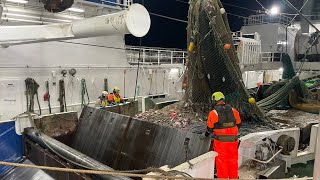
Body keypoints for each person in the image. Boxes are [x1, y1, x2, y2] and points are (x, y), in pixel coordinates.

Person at [200, 91, 241, 179]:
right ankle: (234, 178)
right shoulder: (234, 111)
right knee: (233, 160)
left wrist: (205, 135)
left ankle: (223, 178)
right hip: (233, 141)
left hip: (220, 142)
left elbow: (209, 129)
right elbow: (238, 124)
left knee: (222, 162)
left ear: (214, 101)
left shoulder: (213, 113)